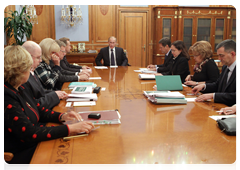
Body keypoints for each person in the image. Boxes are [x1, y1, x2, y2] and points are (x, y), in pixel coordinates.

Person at [4, 45, 94, 170]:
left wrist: (62, 116)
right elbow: (30, 133)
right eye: (28, 68)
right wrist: (70, 128)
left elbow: (37, 108)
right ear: (19, 70)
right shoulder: (6, 96)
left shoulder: (19, 86)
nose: (31, 70)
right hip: (20, 154)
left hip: (35, 144)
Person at [22, 41, 68, 109]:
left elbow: (41, 91)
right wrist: (57, 66)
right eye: (53, 52)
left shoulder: (45, 63)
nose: (56, 55)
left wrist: (56, 93)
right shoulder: (37, 67)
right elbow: (50, 84)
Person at [192, 39, 238, 106]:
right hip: (221, 106)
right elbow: (218, 84)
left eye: (222, 56)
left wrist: (213, 96)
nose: (219, 59)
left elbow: (237, 95)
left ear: (232, 54)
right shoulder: (225, 67)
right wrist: (203, 86)